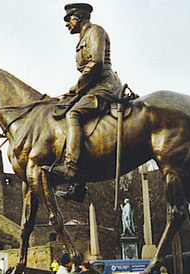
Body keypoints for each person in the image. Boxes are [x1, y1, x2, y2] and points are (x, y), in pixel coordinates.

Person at [50, 3, 123, 199]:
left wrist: (76, 88)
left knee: (74, 114)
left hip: (105, 87)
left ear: (79, 17)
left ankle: (70, 168)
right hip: (92, 87)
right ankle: (79, 187)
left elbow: (96, 63)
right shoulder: (83, 37)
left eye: (69, 20)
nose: (66, 25)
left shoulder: (95, 31)